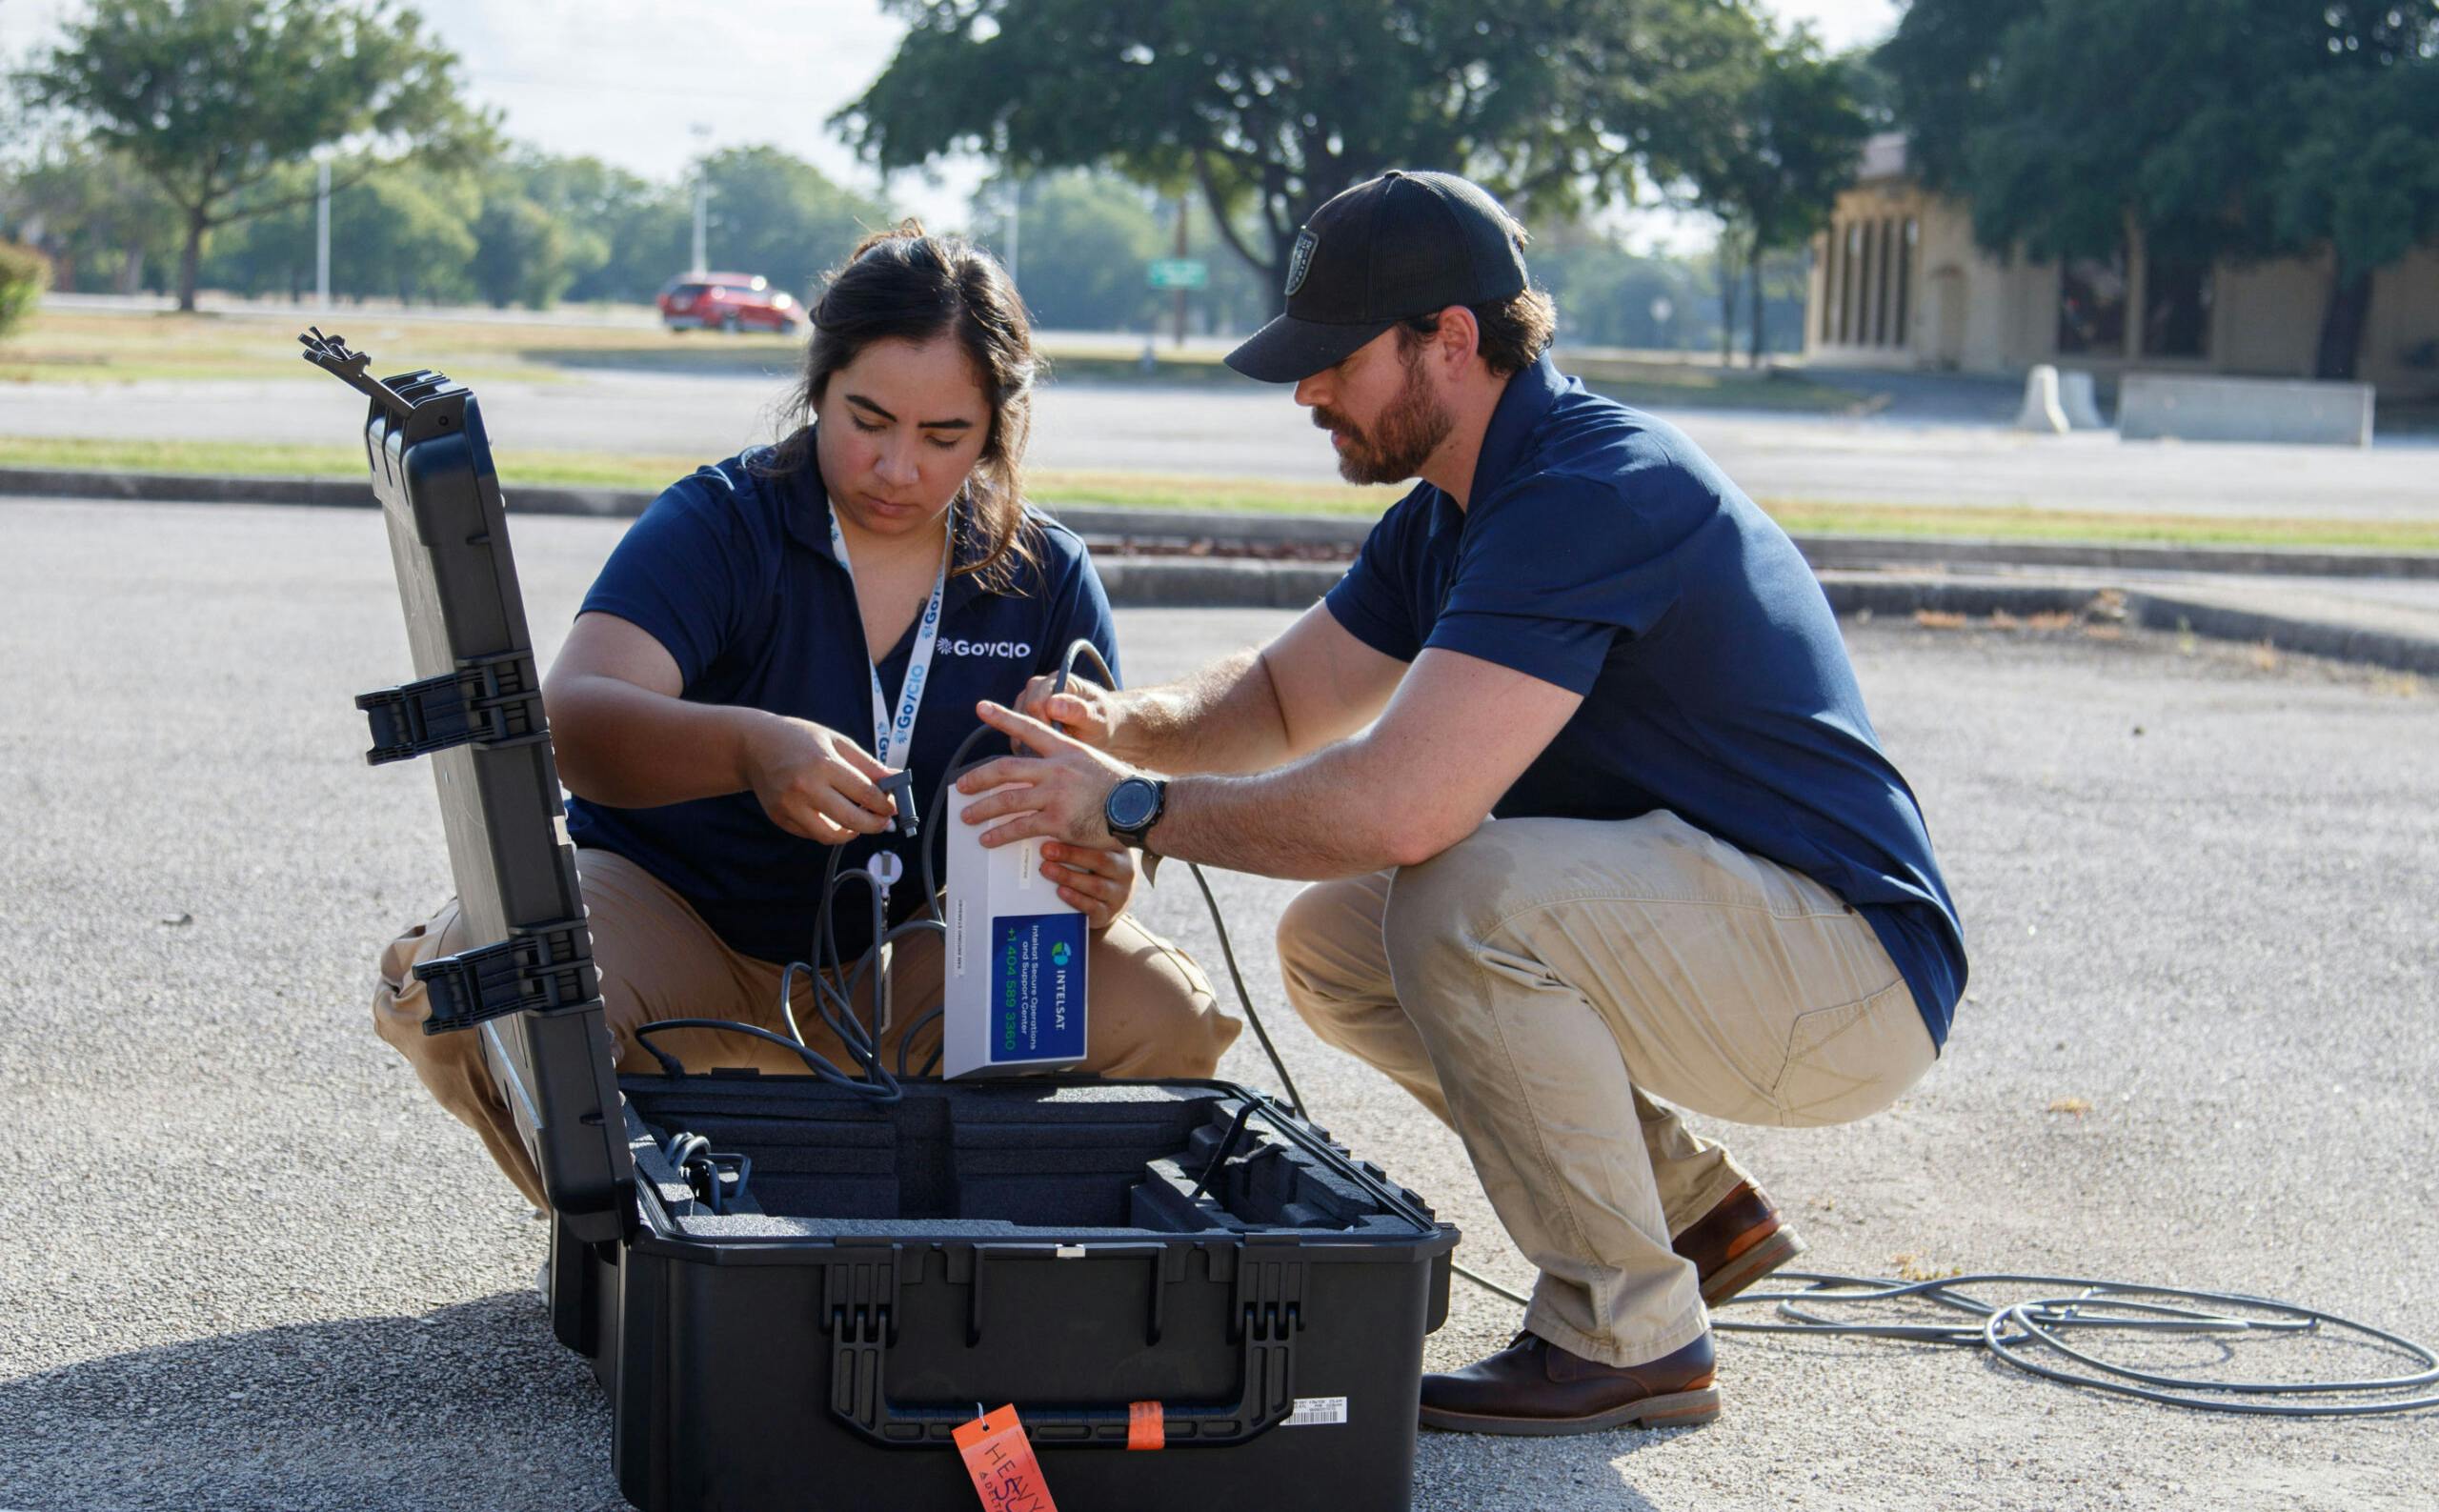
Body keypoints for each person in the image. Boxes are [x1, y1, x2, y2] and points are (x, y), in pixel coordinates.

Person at [948, 171, 1968, 1435]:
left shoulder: (1588, 489)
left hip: (1847, 970)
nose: (1307, 389)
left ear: (1453, 338)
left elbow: (1401, 807)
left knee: (1456, 892)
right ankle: (1689, 1210)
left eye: (1333, 358)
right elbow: (1280, 698)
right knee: (1336, 940)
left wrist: (1135, 807)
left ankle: (1624, 1331)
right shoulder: (1458, 506)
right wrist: (1123, 725)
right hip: (1744, 933)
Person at [373, 225, 1240, 1209]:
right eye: (866, 418)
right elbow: (574, 720)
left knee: (1160, 1012)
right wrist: (747, 749)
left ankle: (955, 1257)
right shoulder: (721, 521)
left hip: (904, 956)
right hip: (675, 938)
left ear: (997, 429)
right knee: (487, 981)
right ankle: (635, 1244)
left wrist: (1099, 871)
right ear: (818, 384)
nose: (895, 467)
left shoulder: (1043, 576)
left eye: (943, 436)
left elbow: (1080, 810)